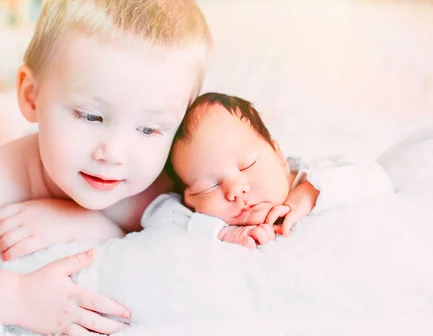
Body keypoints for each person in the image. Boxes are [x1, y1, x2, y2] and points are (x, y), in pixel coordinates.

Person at [0, 0, 319, 336]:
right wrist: (15, 297)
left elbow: (275, 186)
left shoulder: (173, 176)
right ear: (31, 96)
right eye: (90, 116)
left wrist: (80, 221)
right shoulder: (7, 172)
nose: (115, 152)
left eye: (150, 129)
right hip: (17, 156)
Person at [154, 92, 394, 248]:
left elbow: (377, 179)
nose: (235, 190)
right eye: (211, 186)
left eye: (248, 164)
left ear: (278, 155)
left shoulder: (313, 175)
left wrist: (310, 194)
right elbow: (157, 215)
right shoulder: (193, 214)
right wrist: (221, 233)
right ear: (190, 198)